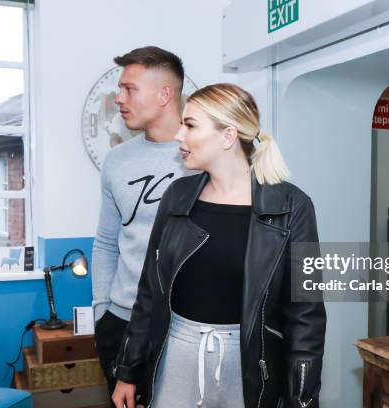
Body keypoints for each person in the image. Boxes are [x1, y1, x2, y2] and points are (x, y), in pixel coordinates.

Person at [111, 83, 327, 408]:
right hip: (176, 354)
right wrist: (127, 370)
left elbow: (306, 314)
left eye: (190, 125)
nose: (179, 135)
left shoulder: (292, 206)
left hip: (253, 364)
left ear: (227, 136)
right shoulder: (177, 196)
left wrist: (302, 399)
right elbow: (150, 292)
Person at [92, 46, 193, 405]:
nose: (119, 98)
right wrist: (102, 311)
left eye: (129, 89)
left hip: (186, 325)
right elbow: (106, 242)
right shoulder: (117, 161)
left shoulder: (203, 155)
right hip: (120, 323)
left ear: (165, 94)